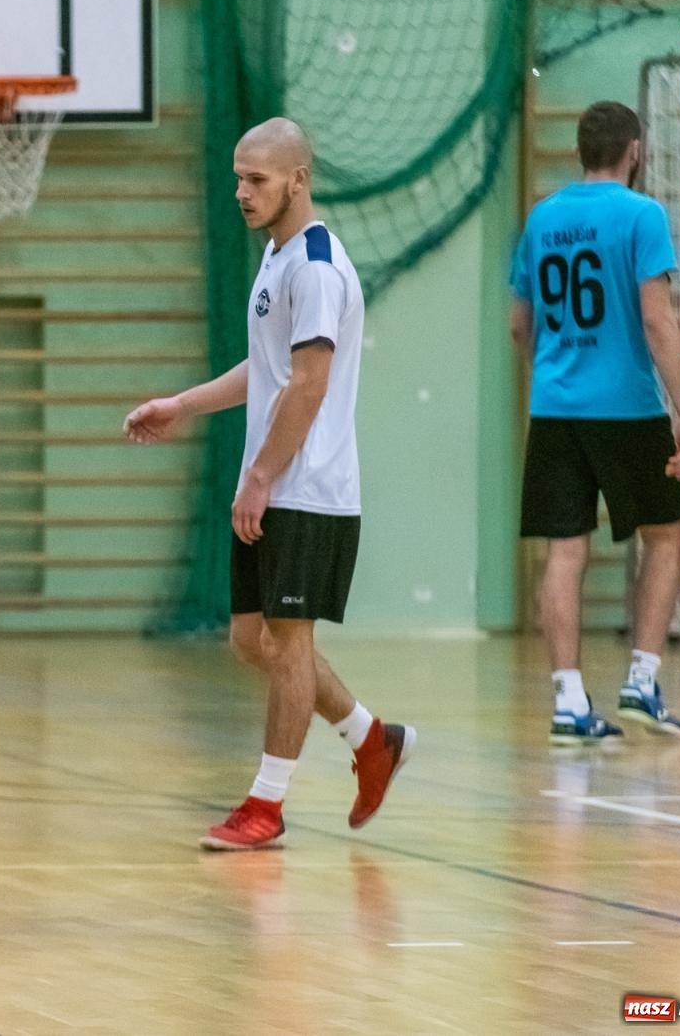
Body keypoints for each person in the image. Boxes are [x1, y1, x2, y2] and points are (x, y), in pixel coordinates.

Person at [124, 118, 414, 850]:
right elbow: (272, 370)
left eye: (257, 179)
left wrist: (259, 476)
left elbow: (309, 385)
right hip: (275, 480)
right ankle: (370, 737)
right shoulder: (279, 257)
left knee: (287, 642)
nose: (242, 192)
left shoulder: (315, 266)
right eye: (237, 177)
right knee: (250, 639)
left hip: (307, 486)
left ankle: (267, 804)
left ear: (299, 178)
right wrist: (183, 405)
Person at [510, 100, 680, 745]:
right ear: (635, 150)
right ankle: (642, 680)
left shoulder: (542, 218)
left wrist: (559, 371)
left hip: (556, 409)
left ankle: (567, 700)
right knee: (667, 536)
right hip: (627, 405)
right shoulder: (643, 215)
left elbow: (518, 323)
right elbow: (656, 318)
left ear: (579, 151)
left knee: (565, 551)